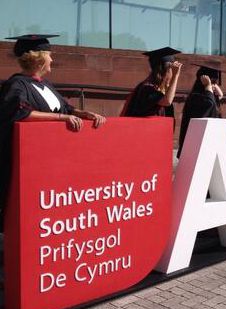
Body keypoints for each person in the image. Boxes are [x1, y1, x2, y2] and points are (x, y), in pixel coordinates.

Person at [0, 34, 106, 230]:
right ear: (38, 58)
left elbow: (65, 108)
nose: (52, 59)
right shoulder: (17, 85)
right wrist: (61, 119)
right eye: (49, 55)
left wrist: (84, 113)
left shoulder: (45, 85)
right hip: (29, 158)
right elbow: (21, 112)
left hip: (52, 157)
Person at [177, 62, 224, 158]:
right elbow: (209, 105)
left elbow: (216, 100)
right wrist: (208, 86)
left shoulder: (208, 97)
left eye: (215, 83)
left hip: (208, 147)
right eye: (213, 83)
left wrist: (214, 90)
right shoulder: (197, 98)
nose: (213, 86)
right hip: (197, 149)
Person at [121, 47, 182, 118]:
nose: (174, 71)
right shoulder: (147, 88)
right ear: (164, 71)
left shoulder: (159, 87)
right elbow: (167, 101)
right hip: (144, 127)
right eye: (172, 69)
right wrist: (176, 76)